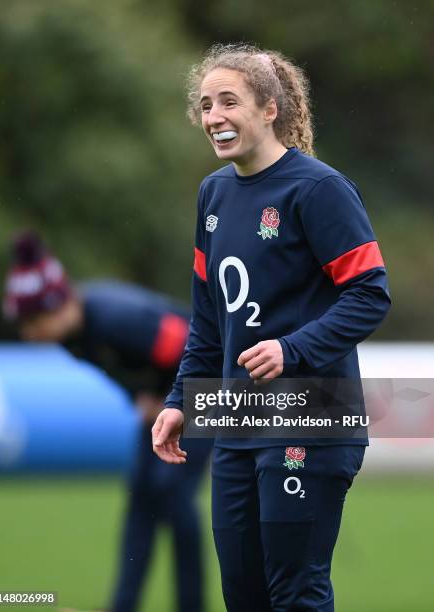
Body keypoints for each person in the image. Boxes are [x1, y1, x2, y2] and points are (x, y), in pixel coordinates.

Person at [152, 43, 391, 611]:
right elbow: (209, 319)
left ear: (269, 108)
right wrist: (180, 398)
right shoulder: (213, 193)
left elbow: (370, 293)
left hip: (311, 415)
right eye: (206, 105)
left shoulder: (317, 189)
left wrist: (292, 348)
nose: (214, 117)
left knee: (296, 595)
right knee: (243, 595)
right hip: (235, 418)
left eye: (228, 101)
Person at [3, 232, 212, 612]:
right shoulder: (71, 337)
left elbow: (193, 348)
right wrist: (141, 397)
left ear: (60, 305)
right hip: (165, 402)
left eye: (34, 321)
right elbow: (126, 371)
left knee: (173, 492)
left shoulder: (118, 319)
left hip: (205, 392)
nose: (29, 334)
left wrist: (171, 398)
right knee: (141, 497)